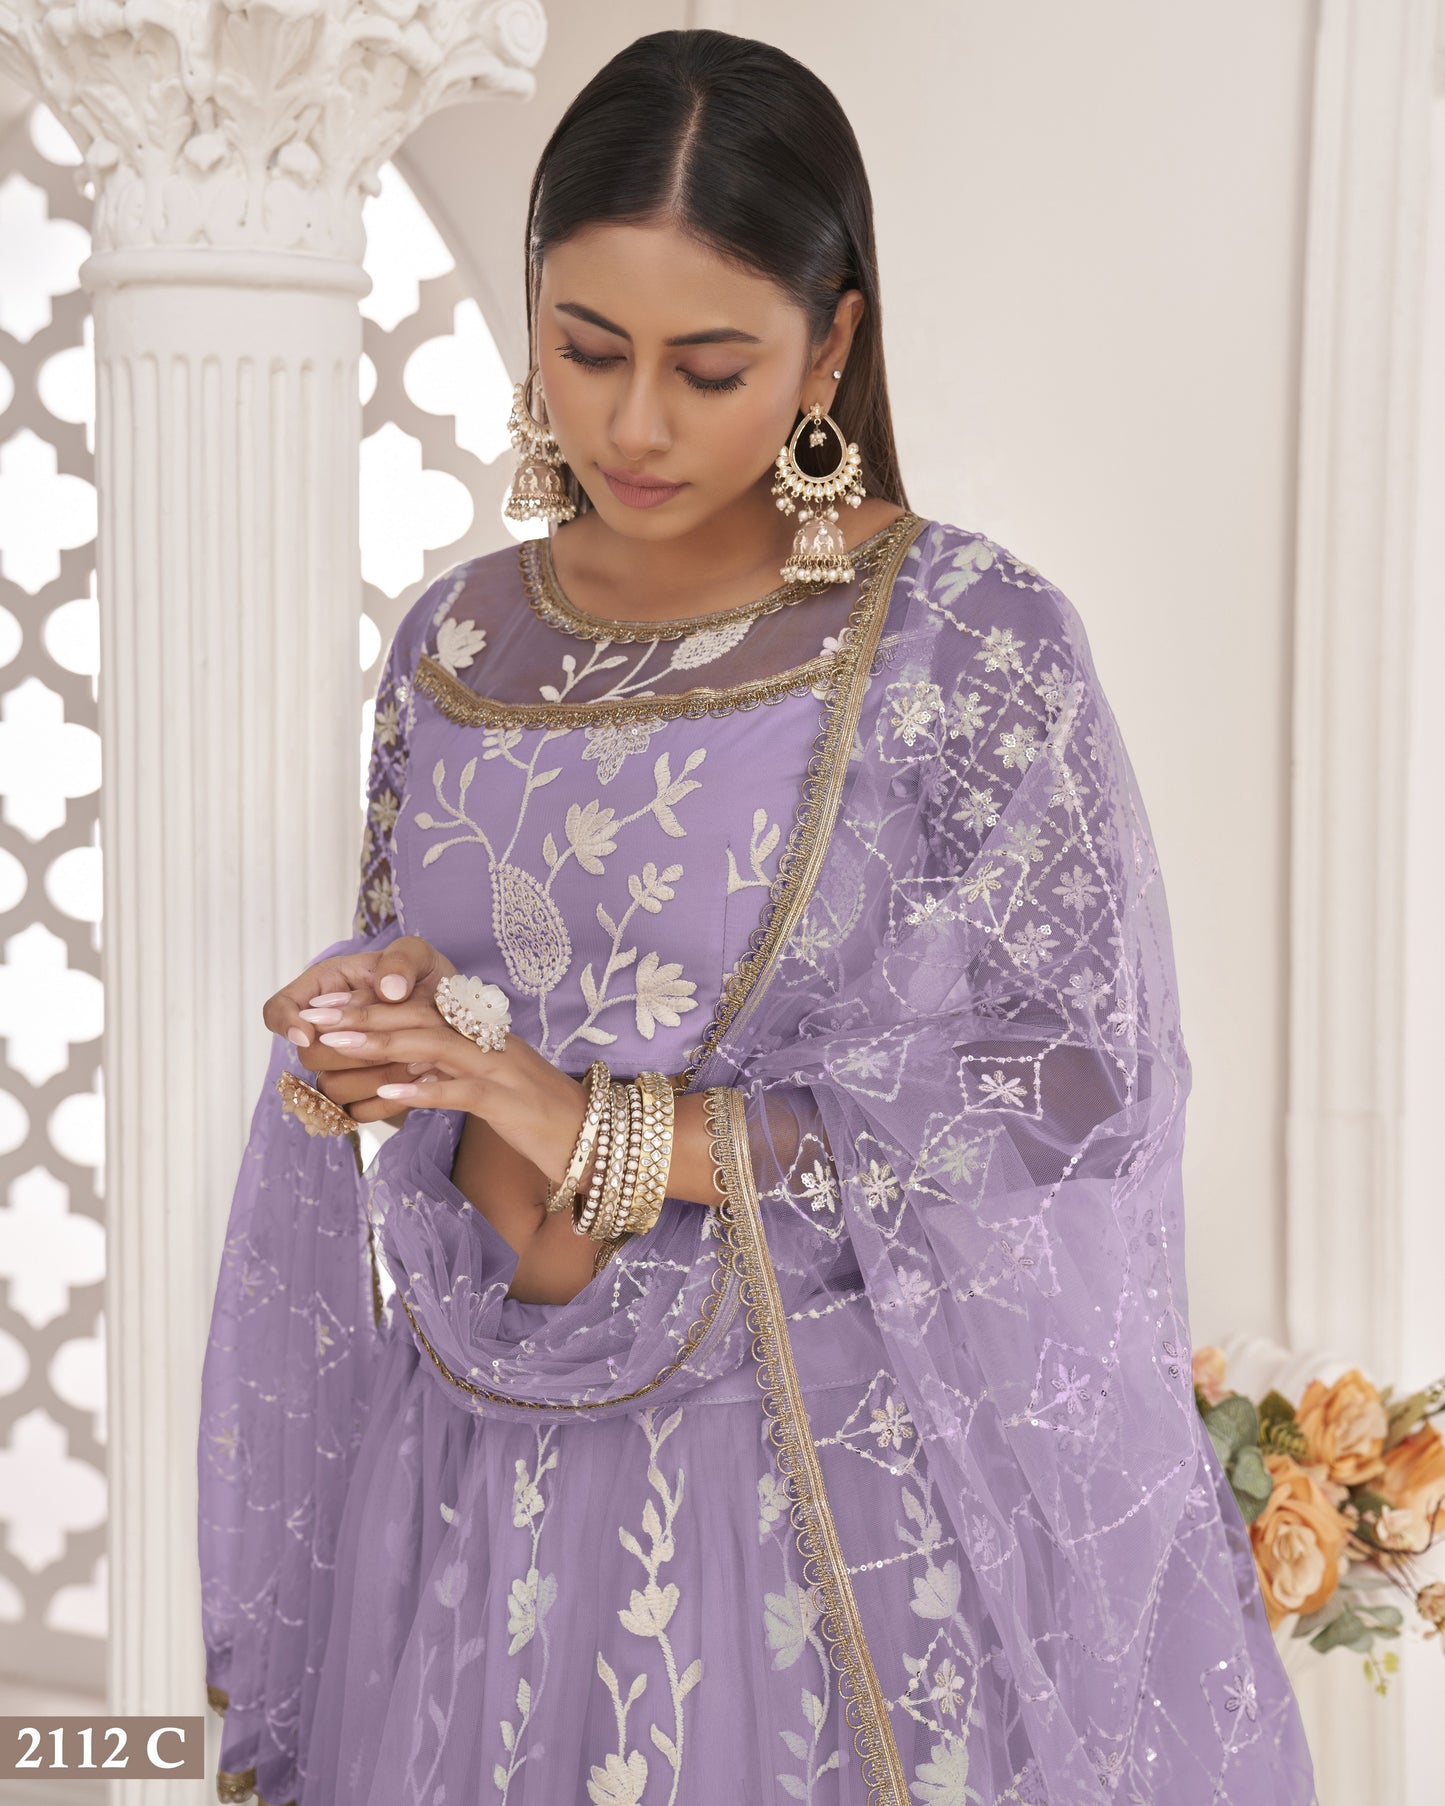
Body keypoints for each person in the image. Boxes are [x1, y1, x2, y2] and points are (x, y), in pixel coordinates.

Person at [197, 28, 1316, 1806]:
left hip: (798, 1500)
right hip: (468, 1485)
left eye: (708, 367)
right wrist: (383, 1035)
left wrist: (613, 1130)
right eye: (583, 348)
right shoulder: (459, 642)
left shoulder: (959, 638)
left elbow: (1067, 1085)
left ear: (833, 345)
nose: (634, 423)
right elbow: (462, 1007)